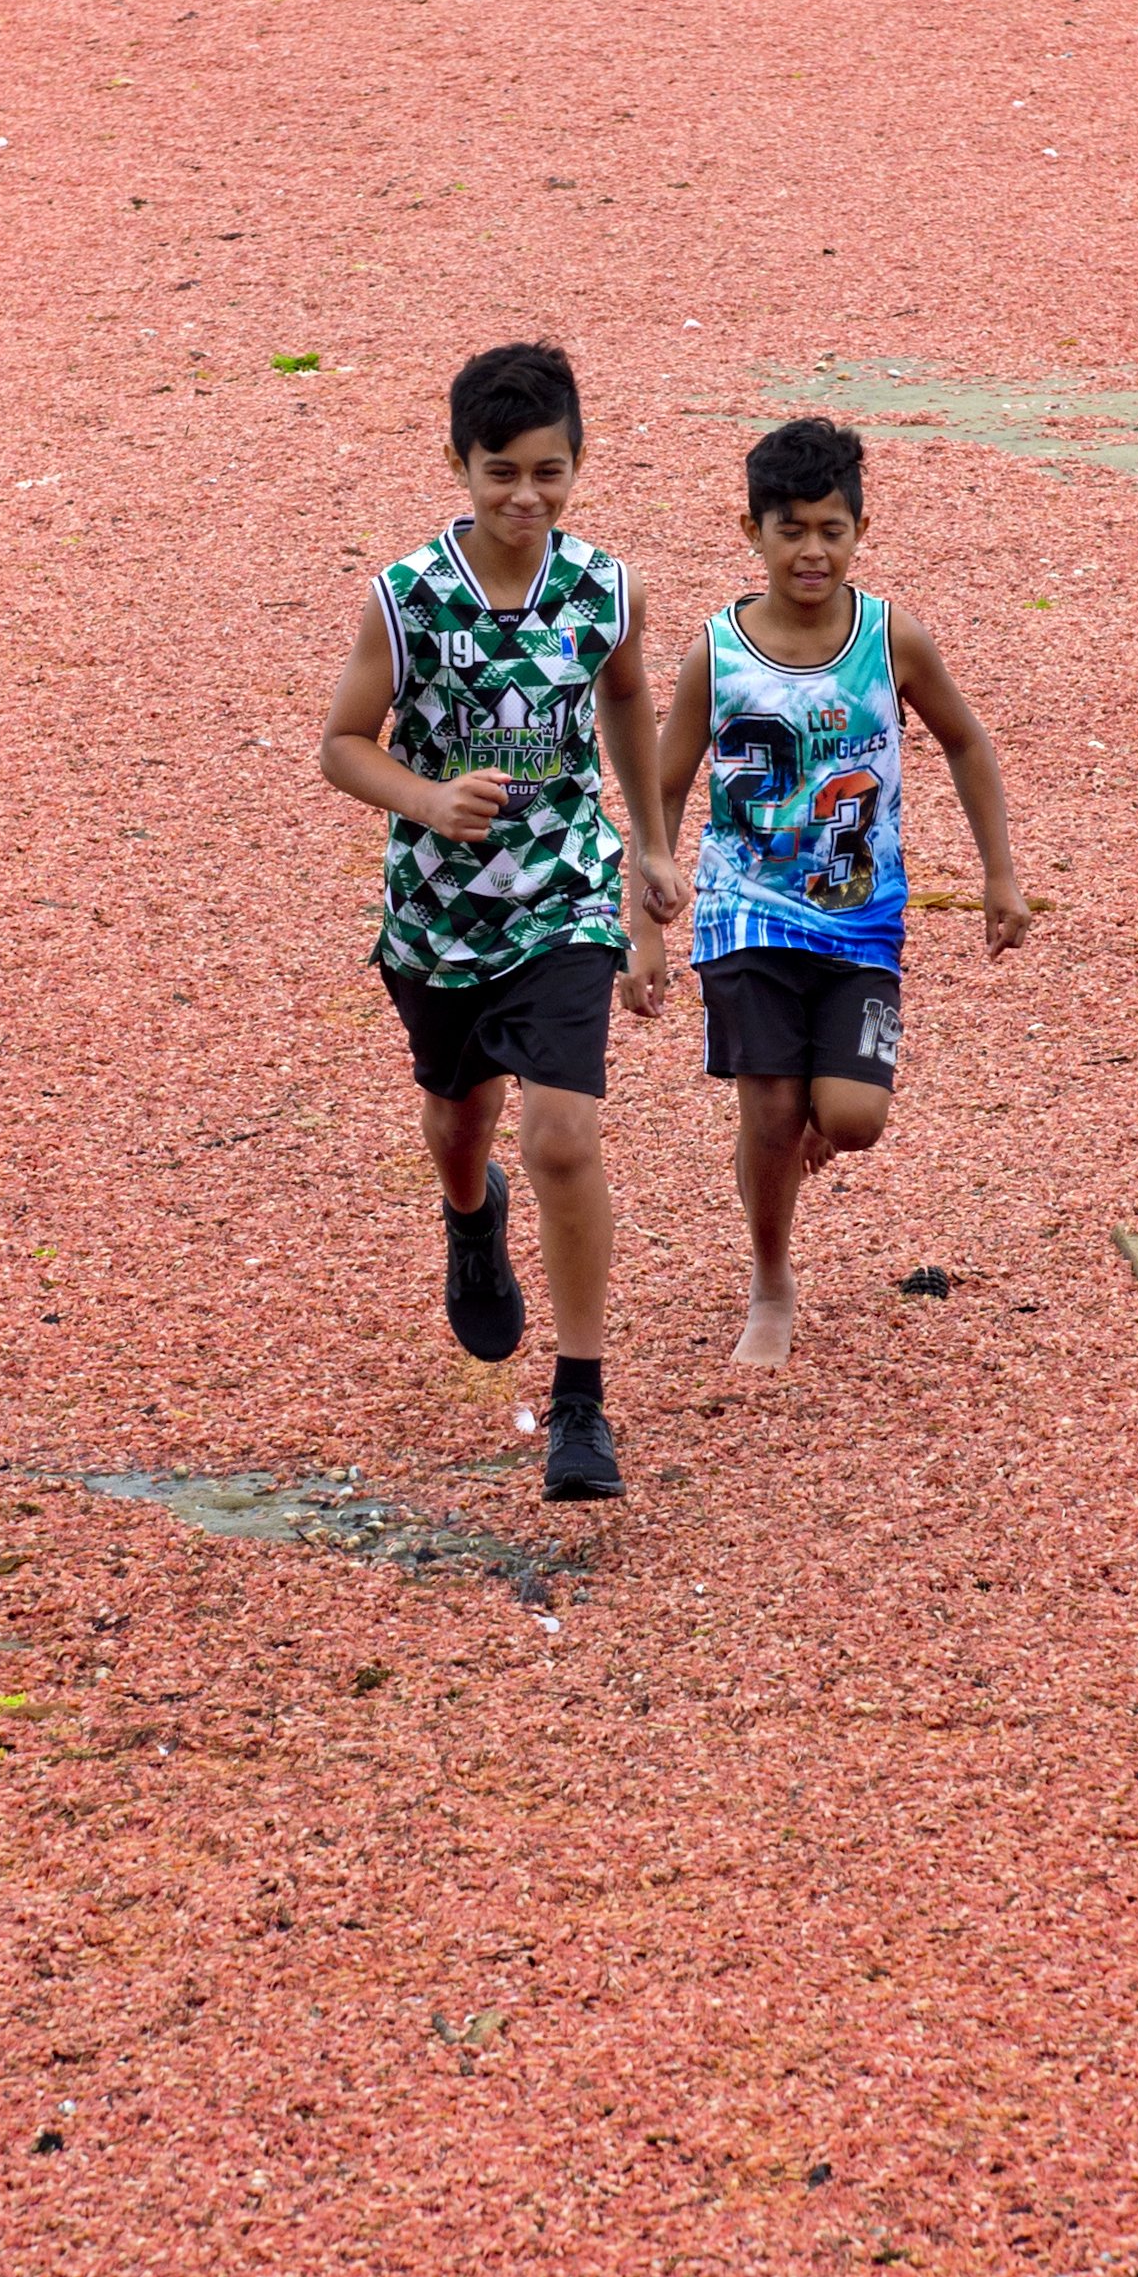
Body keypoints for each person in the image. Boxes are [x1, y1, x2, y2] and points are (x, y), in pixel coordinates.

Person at [317, 339, 682, 1499]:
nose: (525, 496)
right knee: (458, 1121)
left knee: (564, 1137)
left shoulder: (604, 589)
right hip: (436, 914)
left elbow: (625, 700)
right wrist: (427, 797)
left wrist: (648, 846)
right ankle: (469, 1219)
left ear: (578, 465)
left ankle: (582, 1401)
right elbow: (340, 747)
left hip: (564, 895)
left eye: (548, 472)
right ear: (458, 466)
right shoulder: (406, 596)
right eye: (500, 473)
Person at [657, 415, 1028, 1369]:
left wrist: (999, 875)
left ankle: (783, 1162)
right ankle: (770, 1281)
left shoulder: (887, 636)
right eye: (790, 529)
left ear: (858, 531)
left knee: (852, 1120)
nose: (811, 550)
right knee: (770, 1108)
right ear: (752, 533)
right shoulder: (718, 651)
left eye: (831, 528)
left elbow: (964, 742)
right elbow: (660, 784)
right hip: (745, 907)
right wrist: (643, 916)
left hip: (862, 913)